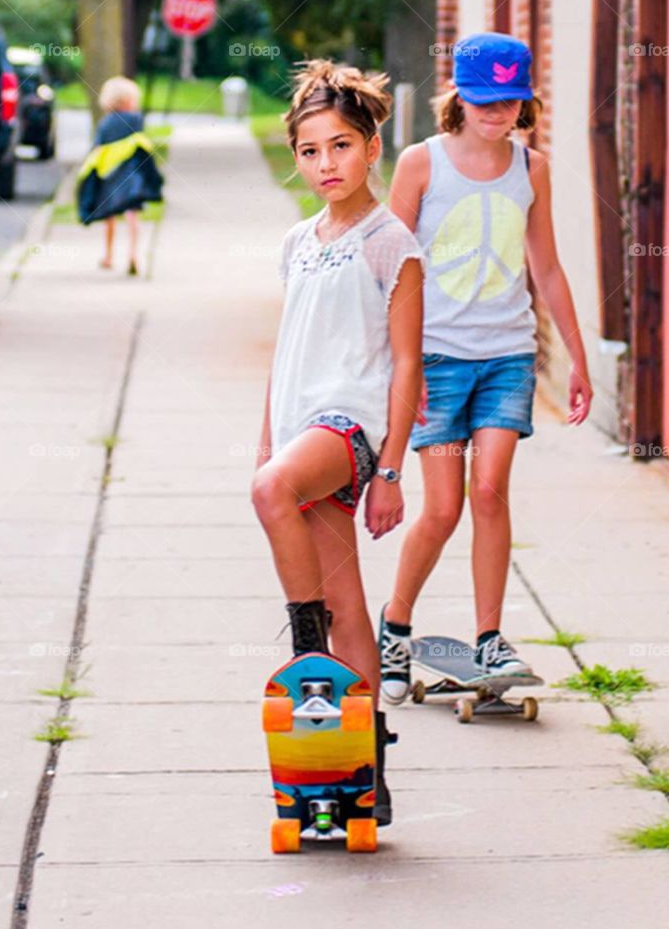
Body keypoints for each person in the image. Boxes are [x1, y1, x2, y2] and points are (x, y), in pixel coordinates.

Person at [377, 31, 593, 703]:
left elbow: (547, 266)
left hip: (507, 354)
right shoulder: (420, 163)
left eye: (509, 102)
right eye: (484, 102)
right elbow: (386, 263)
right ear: (460, 100)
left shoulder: (532, 168)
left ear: (525, 103)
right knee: (442, 508)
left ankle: (489, 635)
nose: (496, 114)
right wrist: (393, 369)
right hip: (436, 358)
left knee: (491, 489)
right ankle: (395, 625)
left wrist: (579, 358)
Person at [251, 60, 424, 826]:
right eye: (312, 150)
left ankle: (304, 652)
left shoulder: (394, 242)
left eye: (343, 145)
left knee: (270, 496)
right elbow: (286, 350)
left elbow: (409, 362)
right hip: (298, 427)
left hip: (350, 425)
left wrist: (390, 470)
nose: (327, 164)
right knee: (350, 601)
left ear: (373, 146)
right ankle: (368, 766)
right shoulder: (296, 241)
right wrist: (268, 444)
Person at [76, 77, 163, 275]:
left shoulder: (105, 123)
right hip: (133, 177)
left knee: (110, 216)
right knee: (133, 216)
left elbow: (97, 149)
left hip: (111, 176)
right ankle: (133, 254)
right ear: (129, 100)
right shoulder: (136, 119)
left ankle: (108, 256)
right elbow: (141, 143)